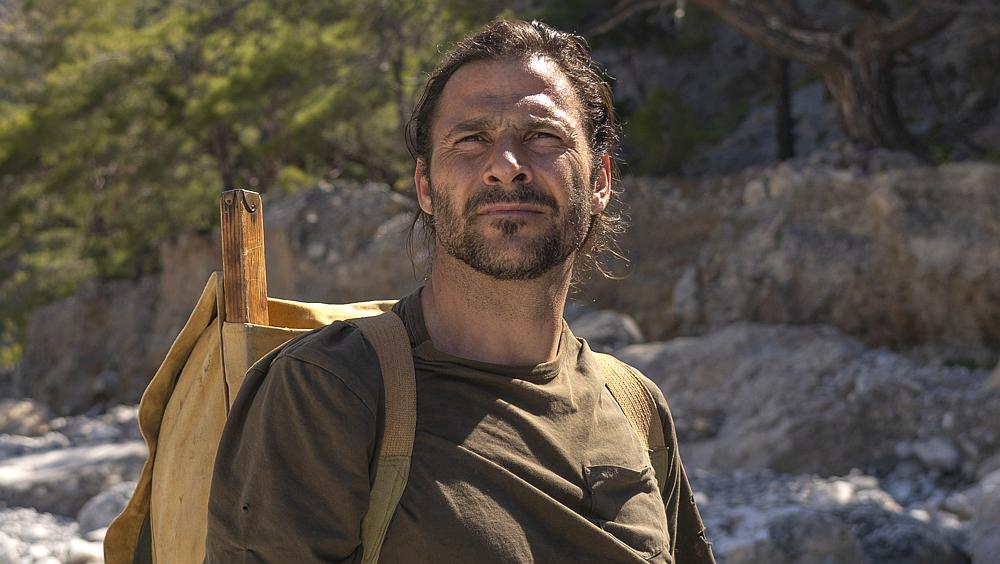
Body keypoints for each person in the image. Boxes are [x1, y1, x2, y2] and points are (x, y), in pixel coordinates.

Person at [205, 18, 715, 564]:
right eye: (472, 140)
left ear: (599, 181)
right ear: (425, 186)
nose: (506, 167)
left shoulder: (635, 407)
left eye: (543, 137)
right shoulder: (331, 390)